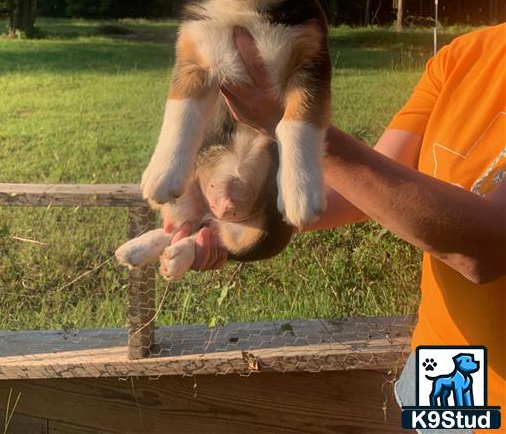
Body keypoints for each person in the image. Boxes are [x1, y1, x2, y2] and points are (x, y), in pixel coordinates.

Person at [165, 23, 506, 434]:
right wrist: (234, 215)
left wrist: (291, 123)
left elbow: (486, 249)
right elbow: (373, 187)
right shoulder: (464, 57)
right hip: (450, 364)